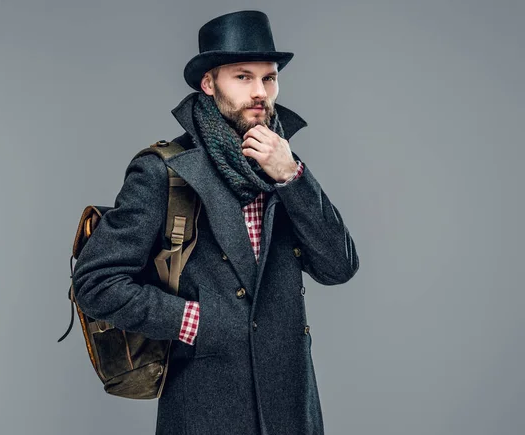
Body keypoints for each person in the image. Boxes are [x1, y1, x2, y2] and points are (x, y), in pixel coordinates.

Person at [72, 10, 359, 435]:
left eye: (269, 78)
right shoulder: (165, 171)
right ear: (209, 84)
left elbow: (339, 267)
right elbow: (95, 283)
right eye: (243, 77)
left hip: (291, 408)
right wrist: (197, 323)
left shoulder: (283, 165)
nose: (260, 92)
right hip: (206, 404)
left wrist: (292, 176)